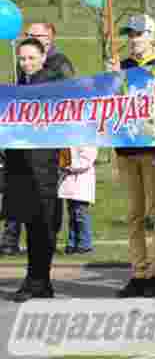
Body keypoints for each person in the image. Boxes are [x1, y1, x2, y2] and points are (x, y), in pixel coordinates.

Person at [109, 14, 155, 298]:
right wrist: (111, 81)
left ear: (151, 35)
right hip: (126, 148)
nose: (133, 40)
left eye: (138, 34)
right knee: (133, 214)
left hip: (153, 150)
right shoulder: (123, 66)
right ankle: (138, 271)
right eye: (130, 35)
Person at [5, 38, 70, 301]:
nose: (26, 63)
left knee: (43, 225)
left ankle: (39, 280)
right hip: (20, 164)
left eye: (32, 58)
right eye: (22, 59)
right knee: (30, 223)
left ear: (43, 58)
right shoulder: (21, 84)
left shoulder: (52, 83)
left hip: (42, 165)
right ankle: (36, 279)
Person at [58, 147, 98, 255]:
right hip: (69, 181)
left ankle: (85, 244)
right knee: (72, 215)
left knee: (80, 214)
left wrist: (69, 165)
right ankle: (72, 243)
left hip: (81, 182)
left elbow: (86, 161)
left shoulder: (88, 139)